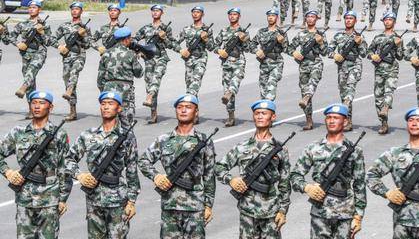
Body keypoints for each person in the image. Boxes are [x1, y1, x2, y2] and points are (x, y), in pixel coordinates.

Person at [139, 94, 216, 239]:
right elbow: (143, 161)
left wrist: (208, 205)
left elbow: (209, 174)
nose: (183, 110)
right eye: (180, 107)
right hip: (170, 206)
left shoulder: (204, 141)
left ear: (196, 112)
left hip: (195, 207)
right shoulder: (163, 140)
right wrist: (156, 176)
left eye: (188, 107)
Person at [65, 91, 140, 239]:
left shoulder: (127, 137)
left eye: (110, 104)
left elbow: (132, 170)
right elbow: (67, 159)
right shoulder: (88, 135)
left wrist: (131, 201)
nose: (106, 107)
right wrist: (80, 175)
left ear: (119, 109)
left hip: (118, 201)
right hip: (94, 200)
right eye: (103, 104)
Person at [367, 107, 419, 239]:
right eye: (411, 120)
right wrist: (387, 192)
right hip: (401, 219)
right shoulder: (394, 153)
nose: (414, 123)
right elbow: (371, 175)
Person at [0, 91, 71, 239]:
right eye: (34, 103)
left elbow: (66, 166)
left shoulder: (59, 134)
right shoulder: (18, 133)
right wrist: (8, 172)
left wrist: (63, 199)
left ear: (50, 107)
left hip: (50, 199)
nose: (37, 106)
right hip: (24, 199)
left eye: (42, 103)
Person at [215, 99, 291, 238]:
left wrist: (283, 210)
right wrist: (231, 180)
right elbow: (219, 167)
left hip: (271, 212)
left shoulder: (280, 150)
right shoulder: (242, 147)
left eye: (264, 113)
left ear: (272, 117)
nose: (260, 116)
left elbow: (285, 183)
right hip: (247, 212)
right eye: (257, 113)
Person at [290, 103, 366, 239]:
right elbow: (295, 175)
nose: (331, 121)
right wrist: (307, 187)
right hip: (320, 213)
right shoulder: (313, 148)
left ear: (345, 121)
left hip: (345, 214)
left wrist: (358, 215)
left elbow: (359, 185)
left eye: (336, 117)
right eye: (329, 117)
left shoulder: (354, 151)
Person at [11, 1, 55, 117]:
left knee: (32, 69)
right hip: (26, 54)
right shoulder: (22, 24)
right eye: (30, 7)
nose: (31, 9)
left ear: (39, 9)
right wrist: (18, 44)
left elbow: (49, 42)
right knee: (30, 80)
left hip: (39, 53)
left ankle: (23, 87)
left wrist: (42, 32)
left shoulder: (44, 25)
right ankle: (31, 109)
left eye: (34, 7)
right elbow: (11, 37)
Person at [135, 4, 176, 124]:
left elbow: (171, 44)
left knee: (156, 79)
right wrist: (139, 50)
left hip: (161, 58)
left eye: (158, 11)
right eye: (153, 11)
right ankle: (153, 111)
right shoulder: (146, 28)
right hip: (149, 59)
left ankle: (149, 98)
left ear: (162, 13)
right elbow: (134, 39)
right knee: (149, 85)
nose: (155, 13)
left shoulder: (166, 28)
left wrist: (164, 38)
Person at [288, 10, 328, 130]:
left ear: (316, 19)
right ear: (305, 19)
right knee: (304, 89)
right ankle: (309, 119)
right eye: (308, 17)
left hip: (316, 62)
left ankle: (307, 97)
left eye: (313, 17)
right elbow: (289, 47)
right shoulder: (301, 34)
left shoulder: (320, 34)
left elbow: (325, 52)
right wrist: (295, 53)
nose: (310, 19)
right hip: (304, 64)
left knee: (313, 82)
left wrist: (320, 43)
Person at [328, 11, 367, 131]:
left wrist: (360, 43)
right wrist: (334, 55)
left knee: (350, 88)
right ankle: (348, 120)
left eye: (351, 18)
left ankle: (344, 112)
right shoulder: (338, 35)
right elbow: (328, 49)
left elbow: (364, 53)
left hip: (355, 65)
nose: (348, 20)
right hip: (342, 66)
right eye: (347, 18)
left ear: (355, 21)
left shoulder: (359, 36)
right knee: (343, 93)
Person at [97, 26, 144, 126]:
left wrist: (104, 92)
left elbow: (100, 78)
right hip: (126, 92)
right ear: (127, 39)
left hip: (109, 90)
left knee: (110, 123)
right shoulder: (130, 54)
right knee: (126, 123)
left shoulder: (106, 54)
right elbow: (139, 73)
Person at [367, 12, 405, 134]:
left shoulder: (398, 38)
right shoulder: (378, 37)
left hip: (391, 68)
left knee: (389, 90)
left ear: (394, 22)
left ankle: (386, 108)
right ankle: (383, 123)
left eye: (390, 19)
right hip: (379, 69)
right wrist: (373, 56)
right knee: (378, 96)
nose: (388, 21)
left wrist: (398, 46)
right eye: (386, 20)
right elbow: (368, 50)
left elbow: (400, 57)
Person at [214, 8, 251, 127]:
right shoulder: (224, 31)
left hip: (239, 61)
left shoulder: (243, 32)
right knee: (226, 89)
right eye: (230, 14)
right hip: (226, 62)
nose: (232, 16)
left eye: (235, 14)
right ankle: (231, 116)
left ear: (239, 16)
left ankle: (230, 92)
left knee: (236, 80)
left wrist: (243, 40)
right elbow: (213, 45)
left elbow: (248, 48)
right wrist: (219, 51)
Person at [54, 1, 92, 121]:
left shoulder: (85, 28)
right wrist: (60, 46)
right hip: (67, 57)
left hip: (79, 55)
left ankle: (69, 90)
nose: (75, 11)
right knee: (67, 78)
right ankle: (73, 111)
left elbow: (88, 44)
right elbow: (52, 38)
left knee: (74, 73)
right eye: (73, 9)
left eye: (77, 9)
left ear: (81, 11)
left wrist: (83, 35)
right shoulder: (64, 26)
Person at [174, 6, 215, 100]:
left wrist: (206, 39)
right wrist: (180, 50)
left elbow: (211, 47)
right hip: (189, 59)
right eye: (193, 12)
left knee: (196, 80)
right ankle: (193, 107)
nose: (195, 14)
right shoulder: (186, 29)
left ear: (202, 14)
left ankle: (188, 99)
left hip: (201, 58)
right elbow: (174, 42)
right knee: (189, 83)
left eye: (198, 12)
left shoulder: (207, 30)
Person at [251, 9, 289, 101]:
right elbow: (252, 44)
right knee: (263, 88)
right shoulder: (261, 31)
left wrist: (282, 42)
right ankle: (267, 110)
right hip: (264, 63)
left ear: (277, 17)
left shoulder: (281, 33)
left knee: (271, 83)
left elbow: (287, 49)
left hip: (276, 63)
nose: (270, 18)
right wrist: (257, 51)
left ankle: (268, 104)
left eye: (273, 16)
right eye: (269, 16)